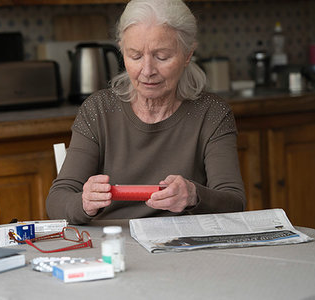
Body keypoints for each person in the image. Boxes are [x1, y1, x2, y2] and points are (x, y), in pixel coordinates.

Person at [46, 0, 246, 224]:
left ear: (188, 54)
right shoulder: (98, 110)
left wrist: (193, 195)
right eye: (135, 56)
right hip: (112, 246)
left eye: (162, 57)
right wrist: (84, 202)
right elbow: (57, 199)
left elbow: (234, 202)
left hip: (183, 247)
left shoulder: (212, 113)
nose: (148, 70)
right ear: (122, 51)